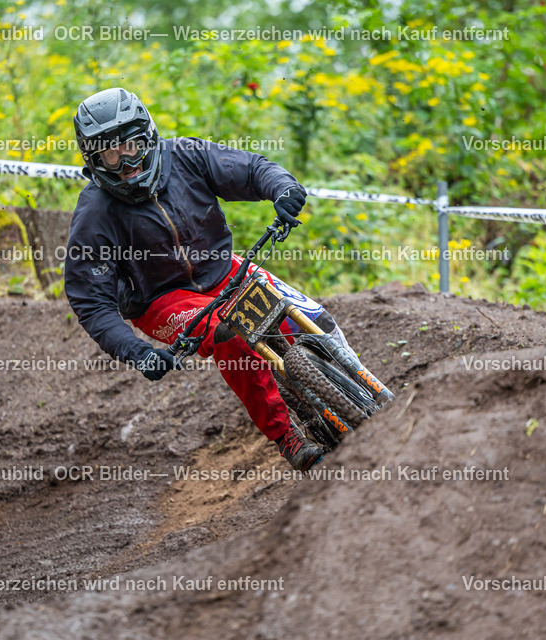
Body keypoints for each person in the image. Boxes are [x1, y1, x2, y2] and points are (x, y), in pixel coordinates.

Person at [65, 87, 344, 471]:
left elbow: (250, 169)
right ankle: (287, 437)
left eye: (130, 145)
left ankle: (364, 388)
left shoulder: (186, 156)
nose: (125, 162)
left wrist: (282, 188)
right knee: (229, 335)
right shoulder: (94, 214)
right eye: (110, 154)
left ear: (148, 136)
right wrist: (137, 352)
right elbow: (91, 303)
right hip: (161, 300)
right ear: (93, 161)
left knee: (310, 318)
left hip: (224, 270)